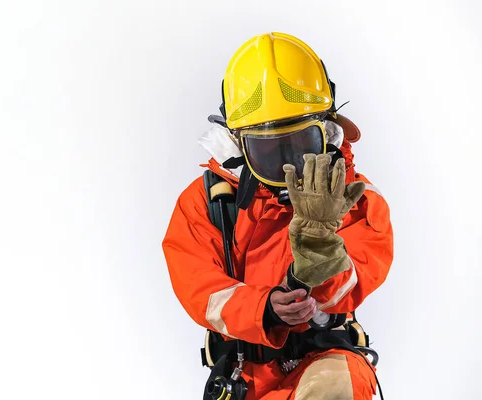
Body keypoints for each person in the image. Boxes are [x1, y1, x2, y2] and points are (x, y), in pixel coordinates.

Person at [162, 32, 393, 400]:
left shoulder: (352, 198)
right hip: (243, 375)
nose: (288, 167)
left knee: (337, 386)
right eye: (269, 150)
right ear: (238, 144)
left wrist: (321, 263)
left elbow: (357, 280)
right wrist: (263, 308)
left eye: (301, 145)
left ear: (326, 132)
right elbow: (200, 289)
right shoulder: (207, 203)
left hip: (324, 359)